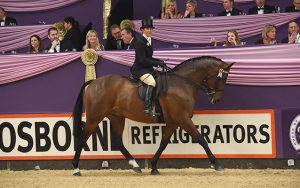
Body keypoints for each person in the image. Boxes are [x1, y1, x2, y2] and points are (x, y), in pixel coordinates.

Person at [131, 18, 165, 116]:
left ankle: (158, 108)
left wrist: (159, 61)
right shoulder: (139, 42)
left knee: (160, 80)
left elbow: (148, 57)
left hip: (147, 68)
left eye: (151, 29)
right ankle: (147, 108)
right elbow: (142, 60)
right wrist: (157, 63)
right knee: (152, 82)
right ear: (142, 30)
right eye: (147, 29)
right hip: (140, 70)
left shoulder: (149, 40)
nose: (149, 30)